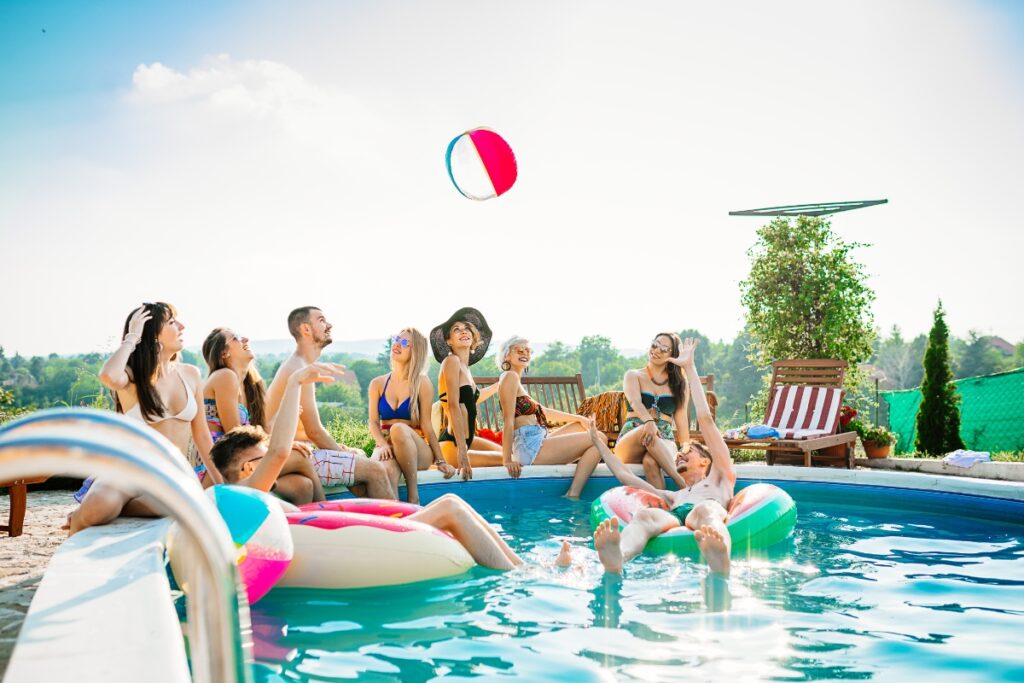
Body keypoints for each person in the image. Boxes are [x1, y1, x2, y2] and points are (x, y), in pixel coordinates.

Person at [214, 362, 527, 571]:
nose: (271, 461)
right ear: (245, 469)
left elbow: (282, 459)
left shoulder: (249, 495)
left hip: (339, 536)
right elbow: (280, 452)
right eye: (261, 457)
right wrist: (296, 382)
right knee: (449, 506)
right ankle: (519, 575)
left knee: (452, 503)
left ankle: (524, 567)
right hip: (347, 546)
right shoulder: (246, 492)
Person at [67, 303, 220, 535]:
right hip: (129, 471)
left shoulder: (190, 374)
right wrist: (131, 338)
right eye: (171, 322)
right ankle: (77, 526)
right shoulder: (132, 375)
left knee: (176, 503)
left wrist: (220, 480)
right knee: (96, 510)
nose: (182, 326)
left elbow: (202, 436)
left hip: (170, 476)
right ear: (151, 333)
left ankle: (118, 508)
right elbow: (108, 376)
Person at [589, 338, 737, 576]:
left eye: (688, 452)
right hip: (678, 514)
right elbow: (625, 475)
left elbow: (705, 419)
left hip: (705, 510)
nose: (680, 454)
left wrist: (689, 367)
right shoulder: (674, 494)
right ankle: (619, 556)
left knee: (704, 511)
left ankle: (719, 556)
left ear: (705, 461)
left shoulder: (720, 477)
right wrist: (599, 443)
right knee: (645, 516)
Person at [265, 306, 393, 499]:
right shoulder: (299, 368)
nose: (329, 325)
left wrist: (343, 450)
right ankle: (397, 527)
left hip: (302, 451)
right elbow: (314, 431)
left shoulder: (299, 364)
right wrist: (345, 454)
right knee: (375, 470)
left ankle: (370, 523)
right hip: (296, 456)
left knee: (358, 460)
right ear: (305, 329)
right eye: (322, 320)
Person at [202, 326, 330, 505]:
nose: (245, 338)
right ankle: (325, 519)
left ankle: (300, 529)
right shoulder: (225, 377)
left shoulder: (249, 385)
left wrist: (278, 425)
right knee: (302, 458)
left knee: (303, 486)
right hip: (222, 467)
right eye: (236, 338)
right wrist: (279, 444)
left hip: (244, 459)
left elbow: (255, 434)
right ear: (224, 353)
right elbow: (236, 435)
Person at [495, 335, 600, 497]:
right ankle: (573, 493)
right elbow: (508, 421)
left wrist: (578, 418)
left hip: (537, 439)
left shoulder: (515, 379)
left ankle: (576, 479)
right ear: (507, 355)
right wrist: (507, 460)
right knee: (598, 438)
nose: (525, 353)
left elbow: (543, 411)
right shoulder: (510, 376)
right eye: (519, 350)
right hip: (529, 446)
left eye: (528, 350)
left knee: (582, 428)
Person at [367, 327, 456, 504]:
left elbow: (427, 426)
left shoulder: (422, 383)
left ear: (415, 352)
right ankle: (394, 522)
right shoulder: (377, 384)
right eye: (396, 340)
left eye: (405, 342)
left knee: (398, 429)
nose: (397, 345)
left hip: (417, 450)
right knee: (388, 473)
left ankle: (413, 496)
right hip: (388, 448)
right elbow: (373, 422)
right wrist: (383, 444)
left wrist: (440, 461)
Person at [430, 307, 502, 480]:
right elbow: (454, 405)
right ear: (449, 341)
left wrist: (501, 384)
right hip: (454, 444)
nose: (463, 332)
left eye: (466, 328)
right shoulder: (451, 361)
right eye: (456, 330)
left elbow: (474, 399)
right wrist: (463, 452)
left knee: (510, 454)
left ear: (473, 336)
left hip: (467, 441)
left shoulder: (465, 369)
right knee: (511, 461)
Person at [614, 332, 692, 490]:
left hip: (664, 440)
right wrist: (649, 422)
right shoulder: (633, 375)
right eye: (654, 345)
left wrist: (686, 450)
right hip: (632, 439)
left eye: (664, 349)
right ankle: (683, 485)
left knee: (650, 462)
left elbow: (682, 423)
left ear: (673, 355)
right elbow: (635, 401)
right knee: (647, 430)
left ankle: (663, 510)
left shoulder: (680, 385)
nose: (656, 350)